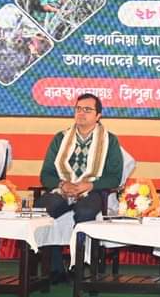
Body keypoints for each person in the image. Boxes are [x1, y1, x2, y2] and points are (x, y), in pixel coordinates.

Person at [37, 93, 123, 283]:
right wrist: (63, 184)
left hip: (92, 191)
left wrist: (90, 184)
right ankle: (55, 268)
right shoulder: (60, 138)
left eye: (87, 110)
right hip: (62, 190)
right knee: (42, 210)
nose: (81, 113)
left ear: (98, 115)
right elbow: (46, 174)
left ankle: (80, 267)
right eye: (78, 109)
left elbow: (114, 177)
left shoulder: (109, 140)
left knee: (85, 212)